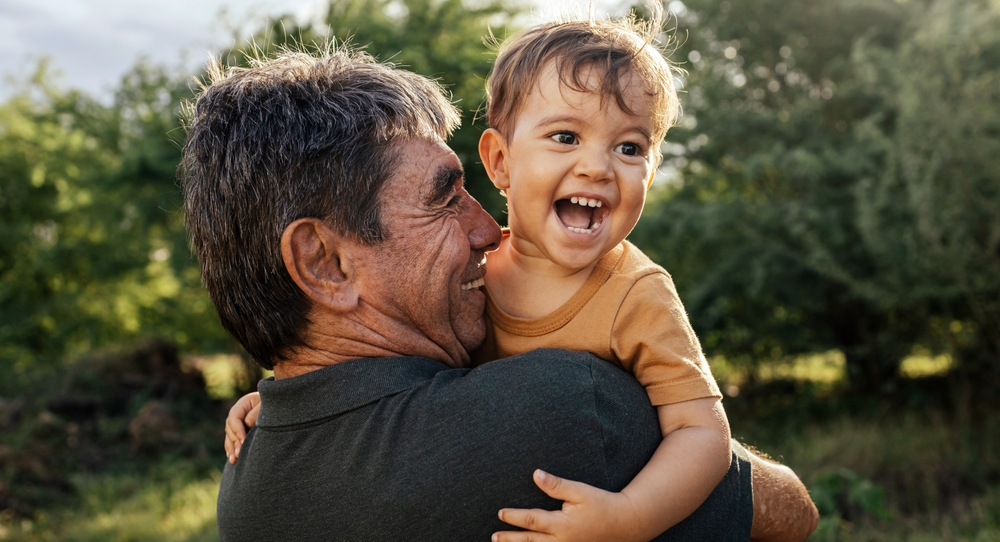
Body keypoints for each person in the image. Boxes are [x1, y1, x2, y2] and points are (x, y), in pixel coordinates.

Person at [188, 45, 817, 541]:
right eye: (443, 199)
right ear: (325, 263)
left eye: (629, 147)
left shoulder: (247, 483)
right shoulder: (567, 407)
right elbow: (792, 514)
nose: (489, 230)